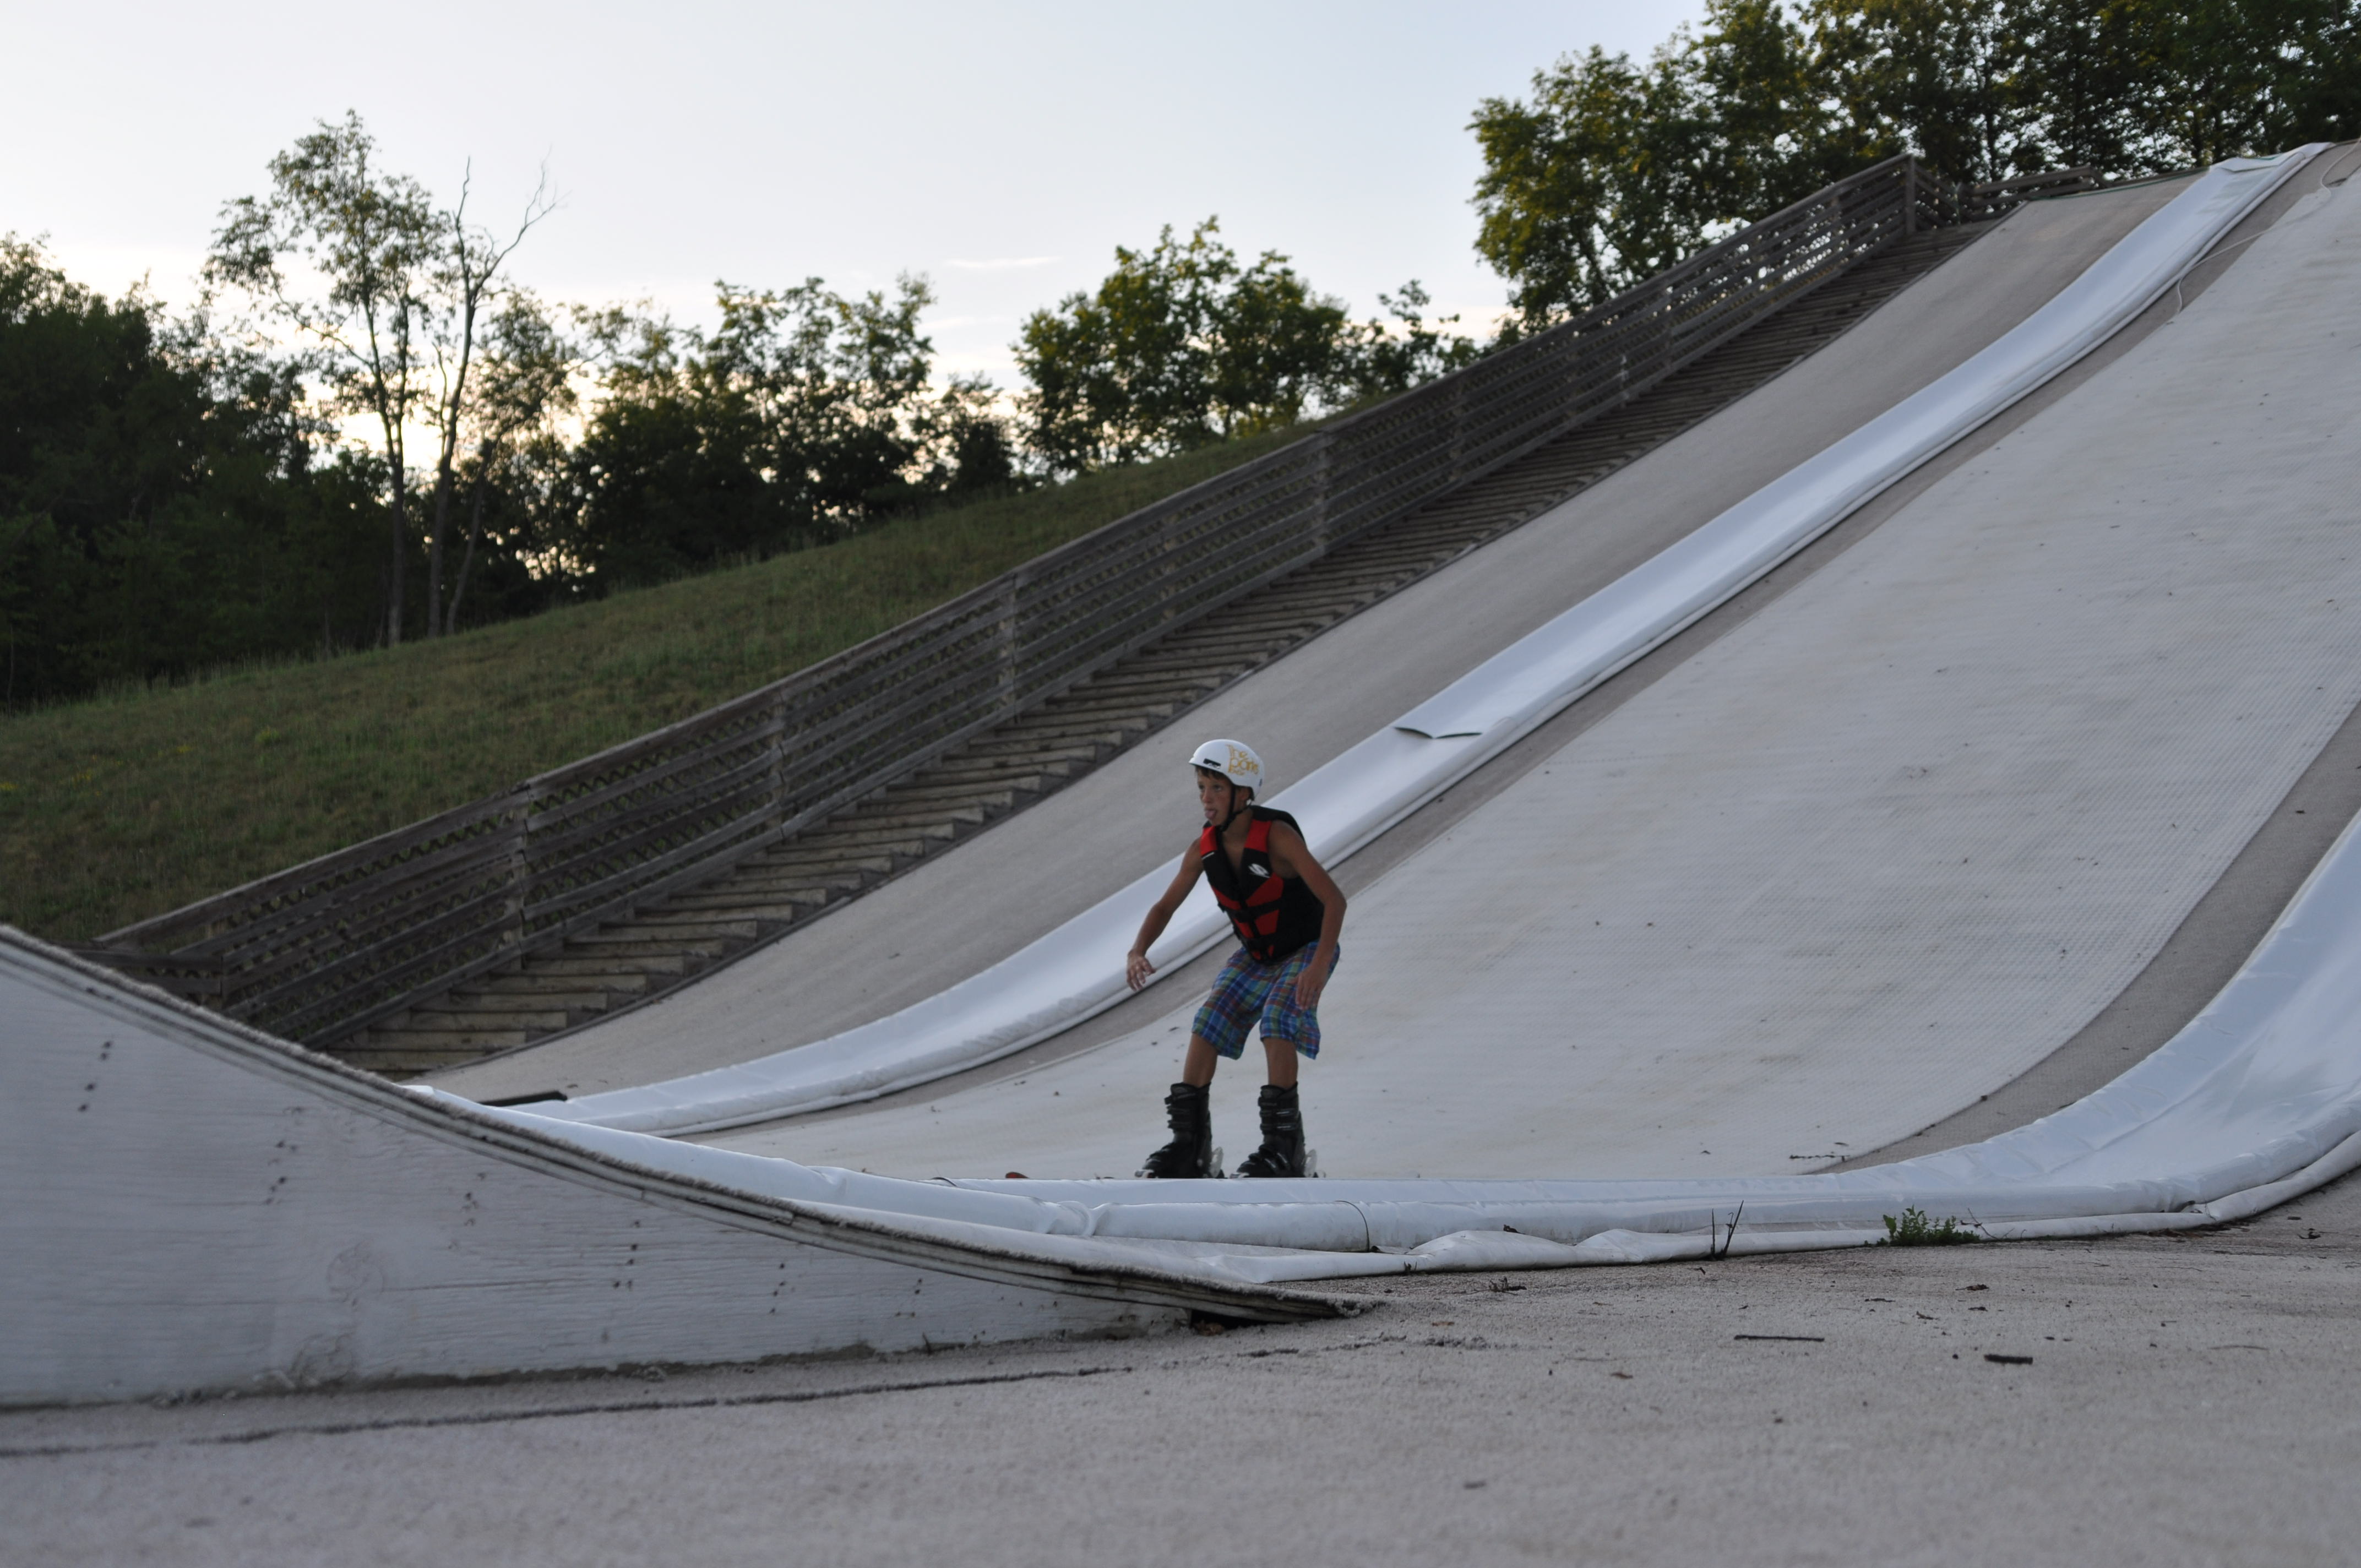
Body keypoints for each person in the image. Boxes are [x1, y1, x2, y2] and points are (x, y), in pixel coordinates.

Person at [1125, 739, 1345, 1178]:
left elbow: (1334, 900)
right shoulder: (1203, 849)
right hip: (1256, 956)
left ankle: (1284, 1150)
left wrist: (1319, 964)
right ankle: (1190, 1148)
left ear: (1244, 794)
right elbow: (1164, 907)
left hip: (1306, 949)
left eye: (1217, 788)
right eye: (1201, 788)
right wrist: (1138, 950)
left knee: (1278, 1020)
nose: (1206, 799)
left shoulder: (1277, 837)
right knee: (1209, 1020)